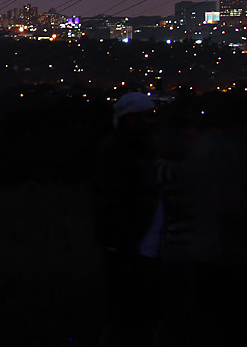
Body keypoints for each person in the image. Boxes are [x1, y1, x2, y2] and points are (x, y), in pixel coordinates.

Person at [94, 92, 162, 346]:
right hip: (129, 247)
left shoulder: (136, 148)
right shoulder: (117, 151)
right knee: (124, 314)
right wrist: (126, 243)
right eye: (147, 116)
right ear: (131, 119)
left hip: (140, 244)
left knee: (131, 314)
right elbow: (112, 200)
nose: (152, 121)